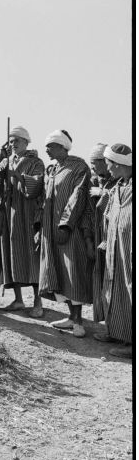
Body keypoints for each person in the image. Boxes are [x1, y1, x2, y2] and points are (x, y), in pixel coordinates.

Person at [36, 130, 94, 338]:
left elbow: (77, 197)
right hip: (50, 230)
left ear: (63, 146)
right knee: (59, 272)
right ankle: (71, 317)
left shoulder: (78, 167)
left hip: (69, 230)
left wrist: (66, 225)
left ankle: (78, 322)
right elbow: (43, 197)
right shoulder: (52, 169)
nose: (46, 150)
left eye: (50, 146)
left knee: (72, 272)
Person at [0, 126, 45, 317]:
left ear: (26, 142)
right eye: (10, 141)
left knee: (30, 255)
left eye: (16, 140)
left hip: (27, 213)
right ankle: (18, 299)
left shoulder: (36, 162)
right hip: (9, 212)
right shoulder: (7, 160)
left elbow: (36, 186)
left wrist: (16, 174)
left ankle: (37, 302)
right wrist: (0, 171)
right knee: (11, 253)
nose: (12, 144)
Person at [94, 144, 132, 358]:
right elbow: (108, 215)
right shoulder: (117, 187)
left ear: (118, 164)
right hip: (114, 247)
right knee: (113, 287)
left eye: (108, 163)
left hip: (130, 249)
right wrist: (106, 240)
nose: (106, 168)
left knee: (129, 289)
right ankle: (117, 331)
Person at [88, 143, 118, 324]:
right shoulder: (92, 181)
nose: (93, 167)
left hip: (114, 237)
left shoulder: (121, 181)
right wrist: (88, 239)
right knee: (100, 278)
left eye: (95, 163)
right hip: (97, 237)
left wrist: (103, 193)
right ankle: (106, 321)